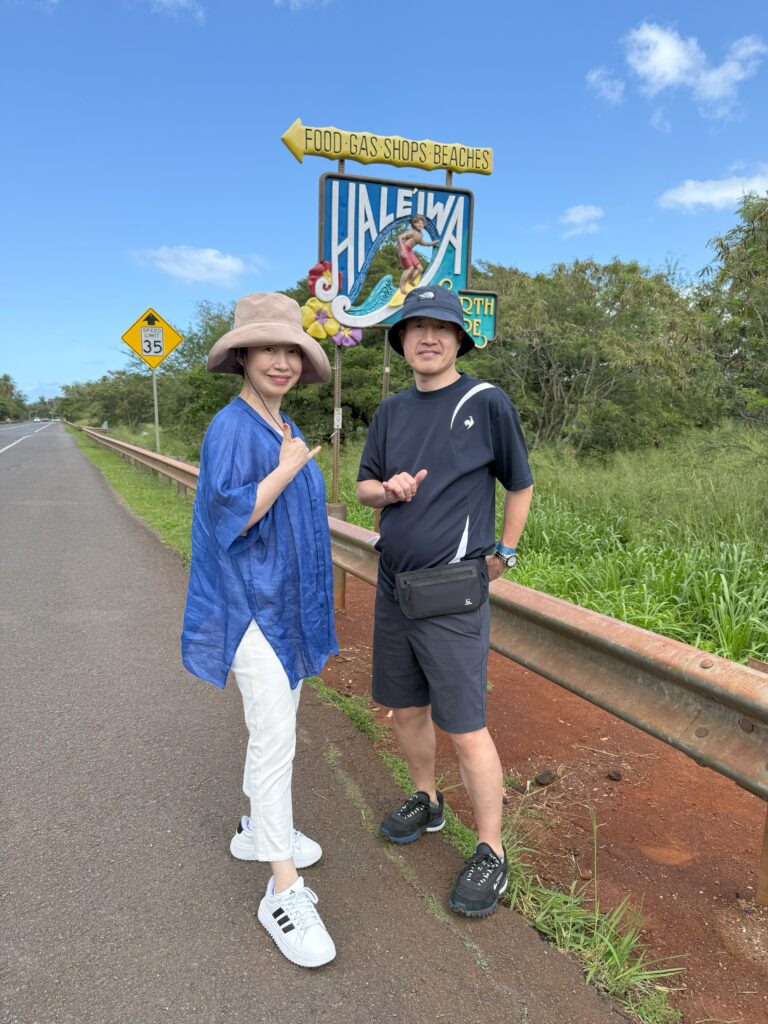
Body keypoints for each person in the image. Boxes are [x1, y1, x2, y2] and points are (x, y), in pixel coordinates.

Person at [356, 284, 533, 918]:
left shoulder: (485, 402)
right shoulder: (389, 413)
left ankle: (491, 852)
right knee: (405, 710)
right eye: (415, 328)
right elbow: (363, 490)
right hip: (393, 585)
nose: (428, 337)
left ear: (461, 338)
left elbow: (521, 483)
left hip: (453, 590)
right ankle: (427, 801)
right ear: (401, 341)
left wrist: (506, 553)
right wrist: (389, 492)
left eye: (442, 327)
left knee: (464, 726)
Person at [181, 293, 338, 968]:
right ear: (241, 355)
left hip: (288, 607)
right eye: (268, 349)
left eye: (292, 351)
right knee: (275, 739)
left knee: (278, 731)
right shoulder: (233, 428)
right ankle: (282, 888)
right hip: (249, 610)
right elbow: (230, 517)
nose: (281, 361)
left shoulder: (284, 421)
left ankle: (256, 829)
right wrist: (290, 466)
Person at [396, 215, 439, 294]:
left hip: (409, 250)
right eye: (418, 223)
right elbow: (400, 237)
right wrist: (402, 249)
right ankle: (402, 287)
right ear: (414, 224)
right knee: (410, 268)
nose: (420, 225)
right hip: (404, 249)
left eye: (422, 224)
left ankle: (411, 280)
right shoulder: (412, 231)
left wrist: (432, 243)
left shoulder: (420, 234)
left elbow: (422, 243)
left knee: (420, 268)